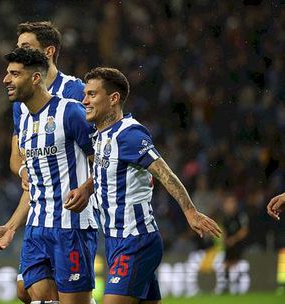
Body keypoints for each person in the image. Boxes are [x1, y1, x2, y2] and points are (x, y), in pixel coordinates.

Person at [82, 67, 222, 304]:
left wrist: (190, 211)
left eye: (92, 94)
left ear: (114, 99)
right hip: (115, 240)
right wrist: (87, 188)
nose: (85, 100)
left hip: (136, 239)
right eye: (85, 94)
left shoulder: (130, 135)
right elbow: (106, 173)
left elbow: (165, 174)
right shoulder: (100, 135)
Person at [0, 21, 88, 304]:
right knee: (26, 291)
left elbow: (101, 145)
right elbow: (18, 154)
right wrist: (24, 170)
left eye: (26, 48)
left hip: (72, 212)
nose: (18, 52)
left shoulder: (76, 94)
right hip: (40, 213)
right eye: (17, 48)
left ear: (49, 52)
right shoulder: (21, 104)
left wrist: (90, 187)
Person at [221, 194, 249, 293]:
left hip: (240, 245)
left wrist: (233, 239)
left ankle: (240, 287)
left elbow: (244, 230)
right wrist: (224, 240)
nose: (228, 205)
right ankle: (226, 286)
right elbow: (223, 231)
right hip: (229, 245)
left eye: (231, 203)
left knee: (238, 265)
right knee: (226, 264)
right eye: (227, 203)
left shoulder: (241, 215)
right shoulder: (226, 217)